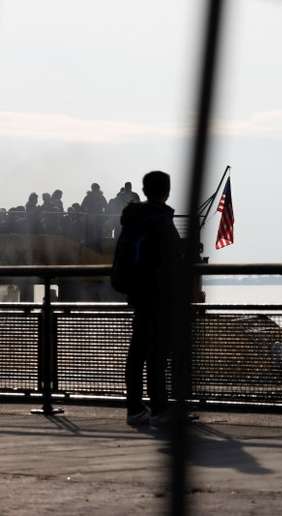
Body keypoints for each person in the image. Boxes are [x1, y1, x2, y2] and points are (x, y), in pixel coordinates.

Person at [113, 171, 182, 426]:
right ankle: (160, 408)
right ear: (167, 191)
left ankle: (134, 408)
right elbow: (171, 256)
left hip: (138, 292)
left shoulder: (133, 218)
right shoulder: (160, 219)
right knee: (158, 353)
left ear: (144, 189)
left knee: (137, 351)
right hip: (159, 294)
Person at [81, 183, 108, 248]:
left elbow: (106, 207)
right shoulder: (90, 197)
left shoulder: (99, 197)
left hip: (97, 217)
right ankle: (91, 246)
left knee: (98, 232)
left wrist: (104, 216)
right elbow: (82, 207)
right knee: (91, 232)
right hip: (91, 217)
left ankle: (96, 246)